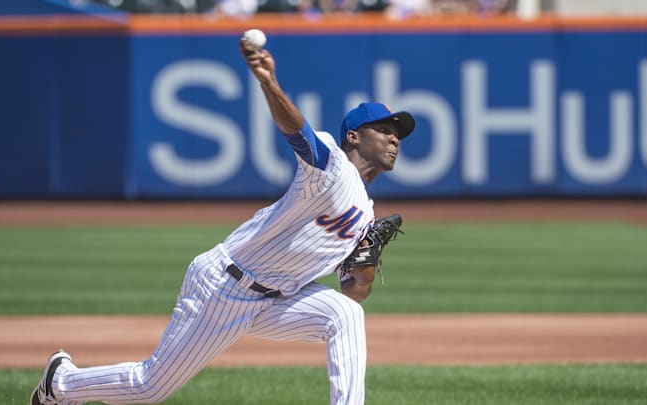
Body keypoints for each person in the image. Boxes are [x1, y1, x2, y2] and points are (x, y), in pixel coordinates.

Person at [30, 36, 415, 405]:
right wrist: (269, 82)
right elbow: (299, 134)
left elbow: (354, 292)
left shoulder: (366, 213)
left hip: (277, 301)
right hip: (223, 286)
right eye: (383, 130)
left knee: (345, 315)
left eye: (396, 134)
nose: (394, 139)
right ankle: (60, 383)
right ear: (353, 135)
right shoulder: (331, 166)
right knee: (150, 386)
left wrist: (365, 257)